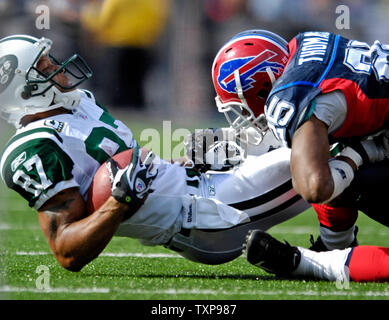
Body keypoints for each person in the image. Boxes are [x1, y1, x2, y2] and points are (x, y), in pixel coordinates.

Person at [0, 34, 312, 271]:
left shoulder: (78, 103)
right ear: (23, 90)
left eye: (50, 60)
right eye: (43, 68)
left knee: (281, 138)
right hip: (204, 215)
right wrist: (117, 202)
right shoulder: (36, 146)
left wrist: (194, 162)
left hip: (201, 186)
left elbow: (139, 173)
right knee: (320, 148)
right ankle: (333, 252)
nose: (56, 67)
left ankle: (298, 259)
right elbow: (66, 250)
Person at [210, 29, 389, 282]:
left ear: (261, 89)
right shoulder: (304, 42)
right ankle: (334, 247)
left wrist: (357, 155)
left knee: (317, 166)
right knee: (323, 151)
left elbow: (314, 187)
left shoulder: (292, 96)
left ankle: (313, 264)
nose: (244, 117)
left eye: (241, 108)